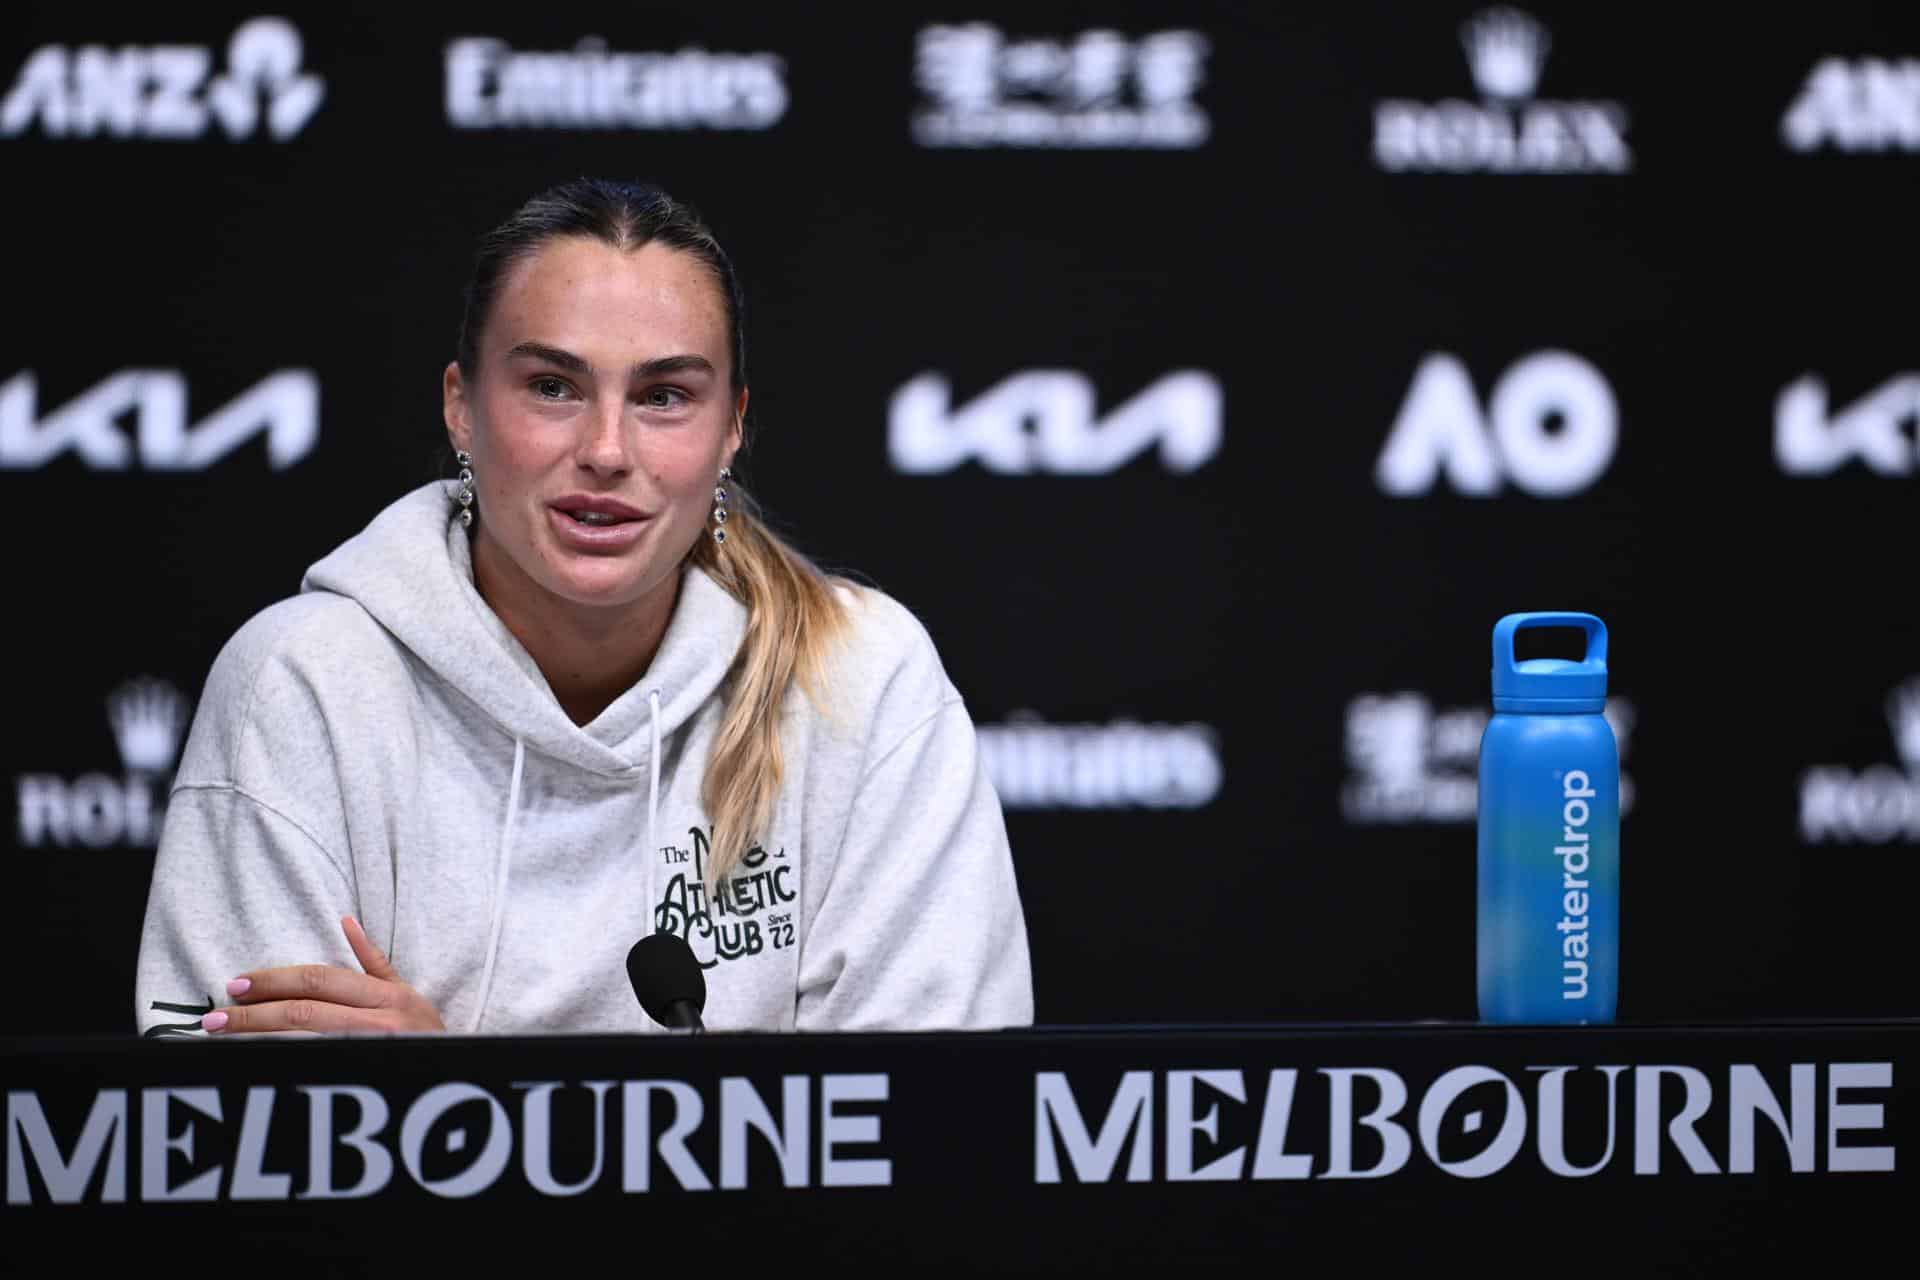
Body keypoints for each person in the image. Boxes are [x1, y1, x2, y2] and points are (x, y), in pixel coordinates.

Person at [134, 177, 1034, 1037]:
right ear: (461, 408)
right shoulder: (303, 683)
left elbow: (927, 1138)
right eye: (553, 387)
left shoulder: (859, 679)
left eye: (664, 396)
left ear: (731, 431)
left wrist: (449, 1108)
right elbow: (232, 1144)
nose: (606, 449)